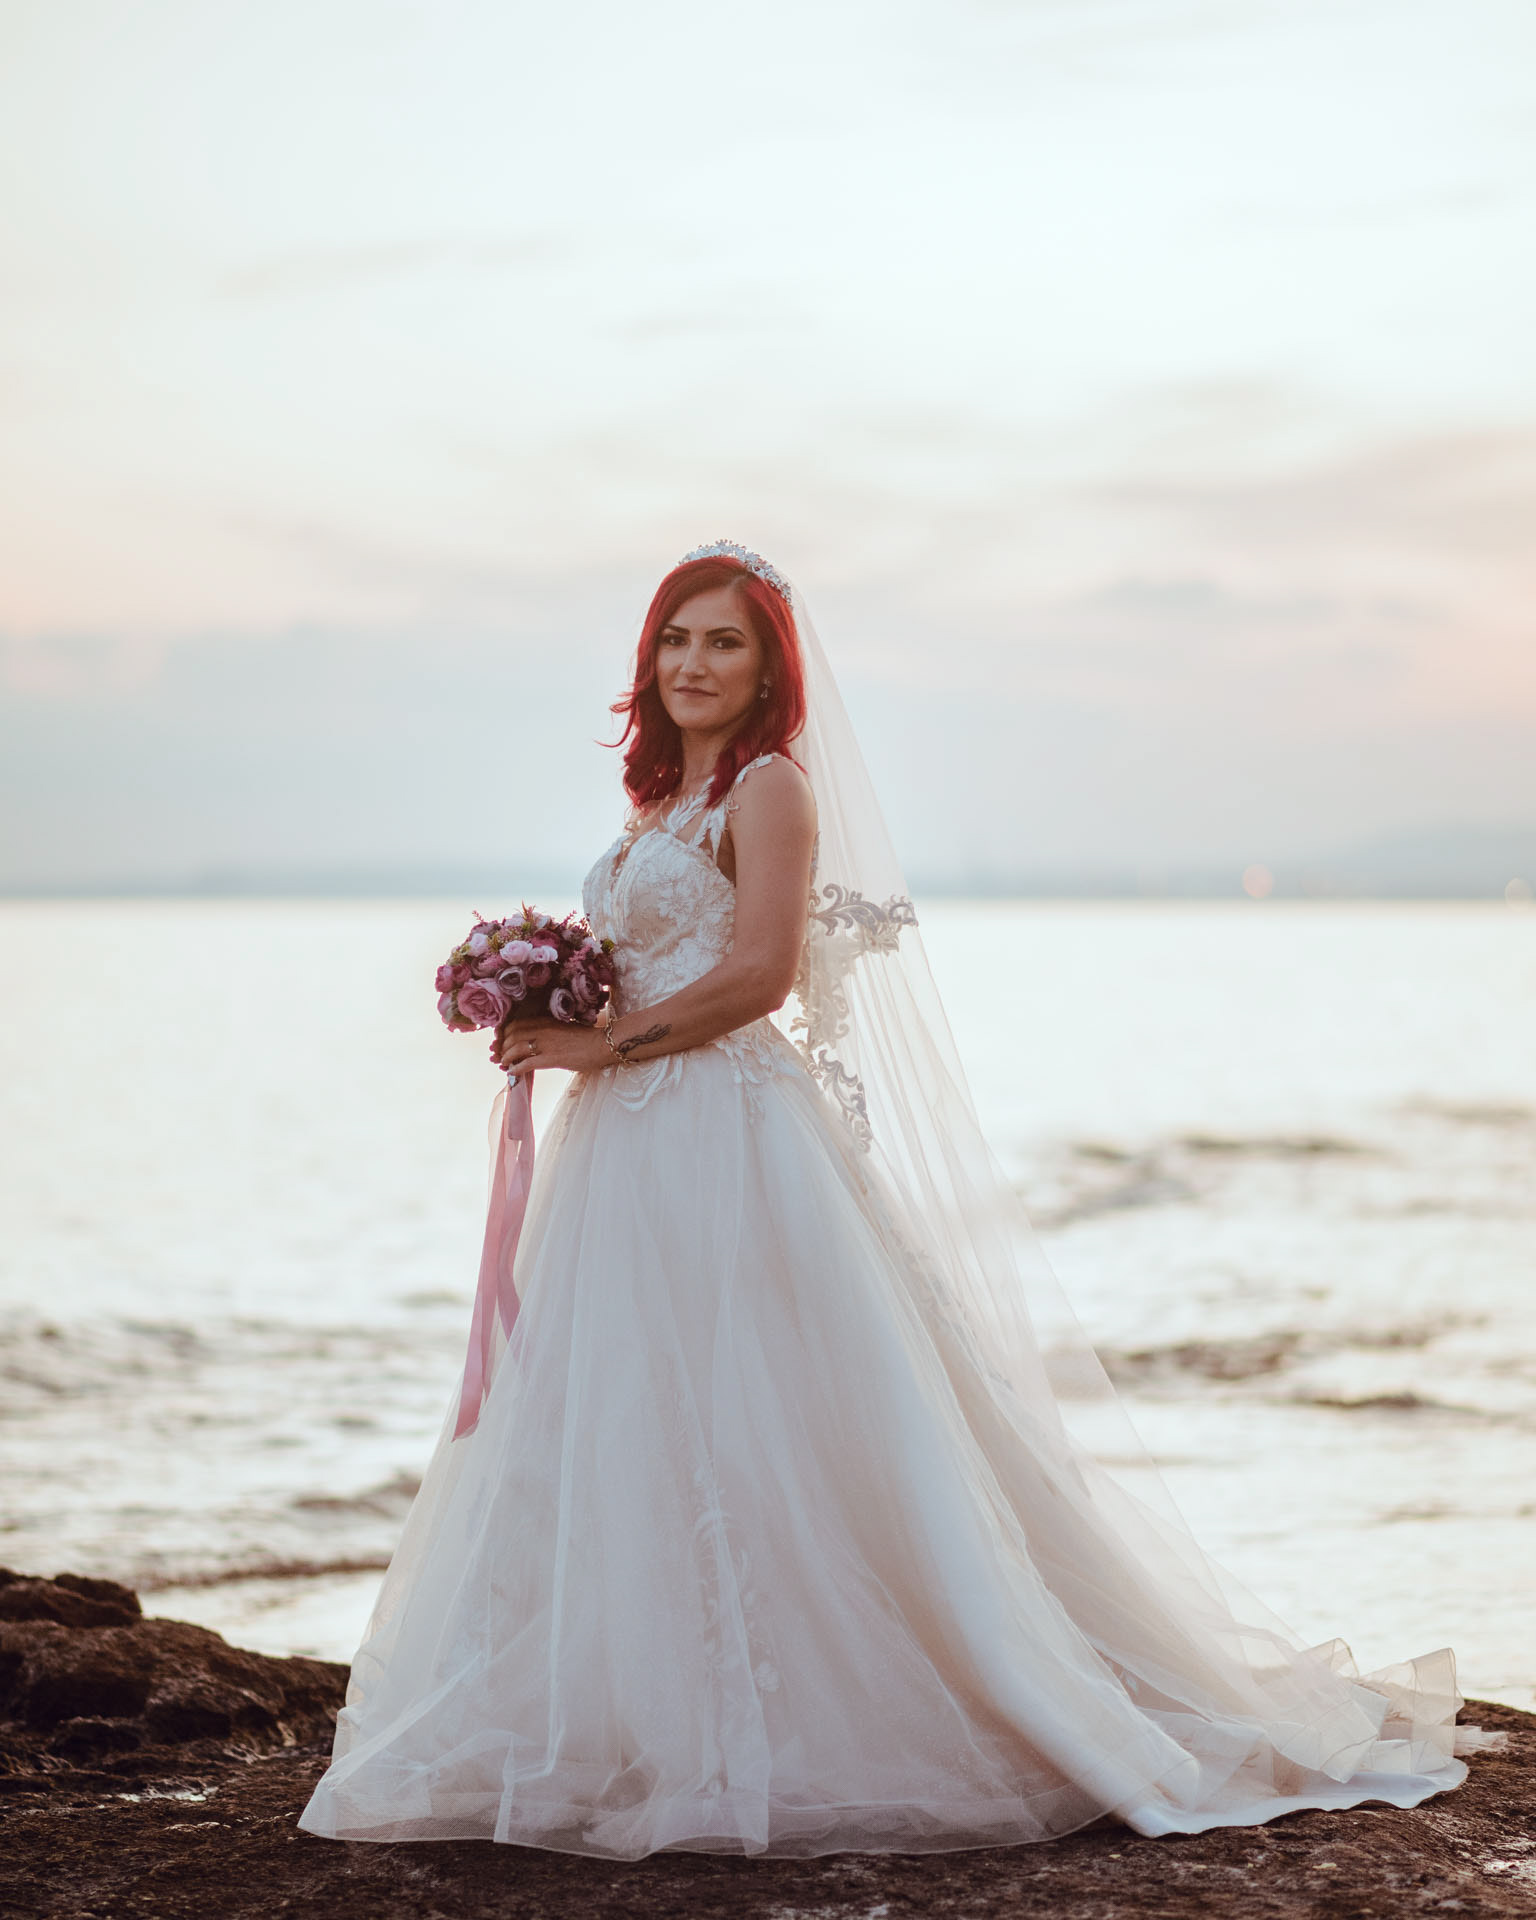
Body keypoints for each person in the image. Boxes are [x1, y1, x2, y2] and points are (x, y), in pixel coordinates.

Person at [298, 541, 1481, 1860]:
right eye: (676, 639)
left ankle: (813, 1714)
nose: (694, 663)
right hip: (625, 1145)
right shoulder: (661, 804)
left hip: (725, 1132)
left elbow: (759, 977)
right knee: (627, 1405)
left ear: (769, 669)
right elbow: (658, 962)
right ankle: (631, 1712)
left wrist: (596, 1043)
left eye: (725, 642)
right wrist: (551, 997)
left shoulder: (771, 789)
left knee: (761, 1407)